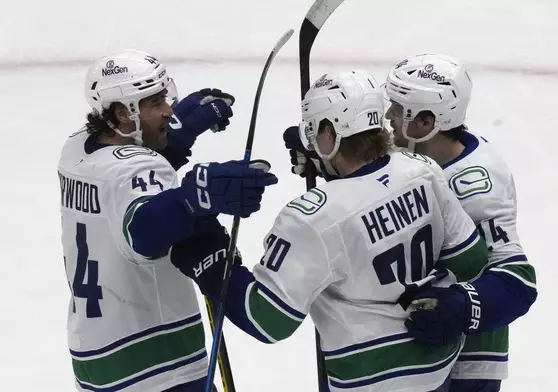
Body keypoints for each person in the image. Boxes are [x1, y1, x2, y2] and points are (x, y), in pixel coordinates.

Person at [170, 70, 490, 392]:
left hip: (369, 379)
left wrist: (212, 262)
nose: (308, 138)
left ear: (329, 132)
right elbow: (470, 259)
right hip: (437, 367)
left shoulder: (312, 218)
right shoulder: (422, 169)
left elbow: (267, 319)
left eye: (313, 130)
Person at [58, 49, 278, 392]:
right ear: (122, 113)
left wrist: (175, 138)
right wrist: (194, 199)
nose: (169, 110)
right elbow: (142, 230)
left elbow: (124, 183)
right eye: (155, 103)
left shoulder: (77, 151)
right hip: (156, 364)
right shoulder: (141, 169)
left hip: (95, 358)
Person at [383, 53, 538, 392]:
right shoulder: (418, 150)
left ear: (426, 122)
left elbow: (517, 282)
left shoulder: (476, 187)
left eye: (398, 109)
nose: (388, 117)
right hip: (416, 353)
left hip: (467, 364)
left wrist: (460, 306)